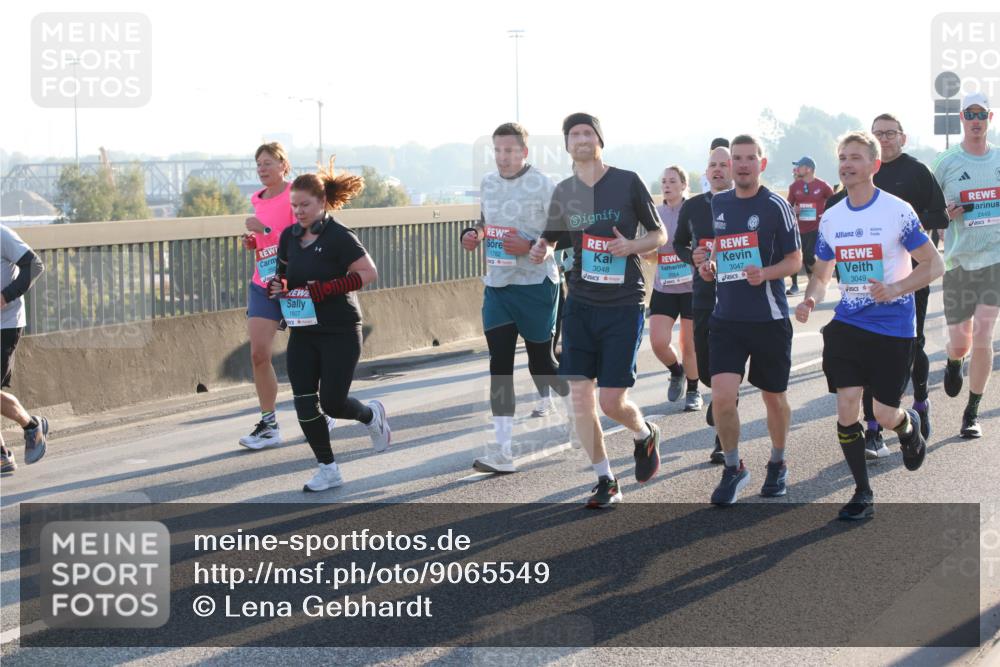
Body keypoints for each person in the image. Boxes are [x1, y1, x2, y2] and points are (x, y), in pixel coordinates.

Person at [796, 131, 943, 519]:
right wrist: (811, 296)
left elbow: (933, 265)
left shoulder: (897, 211)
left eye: (855, 157)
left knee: (883, 413)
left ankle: (907, 426)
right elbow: (822, 271)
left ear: (874, 165)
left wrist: (895, 287)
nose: (846, 164)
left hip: (894, 326)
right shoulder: (832, 216)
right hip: (848, 322)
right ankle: (862, 491)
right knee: (846, 405)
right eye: (842, 157)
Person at [530, 112, 667, 508]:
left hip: (623, 303)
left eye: (587, 132)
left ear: (599, 140)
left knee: (611, 402)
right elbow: (551, 237)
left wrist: (632, 246)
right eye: (574, 134)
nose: (581, 139)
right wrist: (543, 248)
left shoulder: (627, 181)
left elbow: (660, 233)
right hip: (581, 305)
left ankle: (643, 433)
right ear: (567, 144)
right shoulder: (564, 191)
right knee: (579, 400)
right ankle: (606, 479)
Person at [267, 161, 390, 492]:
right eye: (294, 206)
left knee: (333, 402)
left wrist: (325, 289)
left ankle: (371, 415)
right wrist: (277, 287)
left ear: (322, 203)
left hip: (340, 329)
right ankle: (328, 468)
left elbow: (368, 273)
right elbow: (281, 274)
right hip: (304, 331)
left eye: (305, 205)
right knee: (304, 401)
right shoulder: (288, 237)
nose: (299, 212)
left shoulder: (338, 236)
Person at [698, 134, 802, 505]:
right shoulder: (720, 203)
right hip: (726, 319)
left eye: (748, 158)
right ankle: (733, 467)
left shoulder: (776, 206)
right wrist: (709, 266)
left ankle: (777, 462)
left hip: (768, 319)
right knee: (723, 399)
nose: (741, 165)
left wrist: (767, 273)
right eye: (735, 159)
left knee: (774, 399)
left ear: (762, 162)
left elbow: (795, 261)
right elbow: (719, 247)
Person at [460, 122, 568, 473]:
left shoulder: (542, 184)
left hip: (536, 284)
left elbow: (565, 232)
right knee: (499, 365)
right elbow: (485, 221)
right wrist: (473, 235)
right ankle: (503, 450)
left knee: (542, 363)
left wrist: (533, 246)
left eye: (509, 151)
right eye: (497, 151)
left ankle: (580, 410)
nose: (503, 158)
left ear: (524, 152)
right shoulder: (488, 182)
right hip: (498, 284)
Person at [855, 113, 949, 458]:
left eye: (890, 133)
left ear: (902, 138)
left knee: (913, 345)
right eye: (878, 134)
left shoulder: (916, 172)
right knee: (867, 347)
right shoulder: (863, 173)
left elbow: (940, 217)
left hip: (911, 275)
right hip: (867, 279)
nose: (885, 138)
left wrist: (902, 229)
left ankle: (921, 401)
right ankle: (873, 428)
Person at [239, 142, 334, 450]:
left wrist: (264, 228)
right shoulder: (257, 198)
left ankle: (321, 409)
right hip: (263, 282)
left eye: (267, 163)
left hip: (293, 282)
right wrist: (254, 241)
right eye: (258, 164)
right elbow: (267, 239)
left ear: (283, 165)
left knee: (308, 351)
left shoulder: (296, 195)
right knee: (258, 353)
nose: (262, 169)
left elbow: (303, 237)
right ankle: (268, 424)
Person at [933, 92, 1000, 439]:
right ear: (962, 118)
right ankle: (954, 360)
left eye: (982, 115)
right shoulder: (946, 162)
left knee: (985, 336)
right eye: (969, 114)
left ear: (989, 117)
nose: (976, 120)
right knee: (961, 341)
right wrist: (945, 215)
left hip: (994, 260)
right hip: (959, 262)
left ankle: (972, 412)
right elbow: (927, 212)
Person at [674, 145, 734, 463]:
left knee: (728, 368)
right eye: (713, 164)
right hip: (704, 296)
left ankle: (722, 440)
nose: (718, 170)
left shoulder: (744, 204)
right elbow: (679, 243)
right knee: (708, 366)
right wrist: (692, 257)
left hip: (739, 298)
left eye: (724, 164)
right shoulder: (695, 206)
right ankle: (717, 394)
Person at [647, 166, 700, 410]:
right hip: (664, 287)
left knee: (688, 345)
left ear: (683, 184)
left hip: (691, 288)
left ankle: (693, 390)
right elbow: (651, 255)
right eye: (664, 181)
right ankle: (676, 371)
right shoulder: (655, 214)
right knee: (658, 342)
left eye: (672, 181)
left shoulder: (693, 211)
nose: (666, 185)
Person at [1, 224, 47, 473]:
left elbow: (34, 265)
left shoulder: (1, 234)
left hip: (5, 324)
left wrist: (4, 297)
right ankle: (3, 454)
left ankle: (31, 427)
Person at [785, 156, 834, 295]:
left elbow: (834, 201)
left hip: (816, 227)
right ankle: (814, 283)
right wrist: (794, 210)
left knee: (808, 256)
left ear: (808, 169)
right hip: (799, 228)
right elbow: (788, 206)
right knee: (801, 256)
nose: (796, 169)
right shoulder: (794, 187)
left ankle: (818, 281)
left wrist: (826, 215)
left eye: (799, 166)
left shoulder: (822, 185)